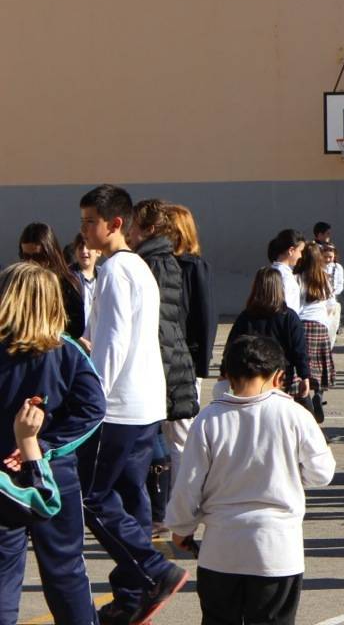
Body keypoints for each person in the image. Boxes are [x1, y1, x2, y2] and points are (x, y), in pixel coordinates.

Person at [166, 335, 336, 625]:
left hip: (221, 549)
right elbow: (322, 473)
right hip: (277, 549)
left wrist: (181, 528)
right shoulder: (295, 415)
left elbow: (188, 485)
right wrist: (292, 473)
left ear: (226, 376)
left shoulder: (208, 419)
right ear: (279, 377)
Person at [77, 184, 189, 623]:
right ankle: (133, 595)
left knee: (90, 498)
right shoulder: (139, 267)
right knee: (130, 497)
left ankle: (151, 569)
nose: (85, 230)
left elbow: (114, 342)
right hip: (144, 403)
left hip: (118, 406)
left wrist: (92, 398)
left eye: (91, 221)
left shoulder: (116, 271)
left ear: (116, 223)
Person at [0, 263, 106, 625]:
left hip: (4, 478)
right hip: (53, 475)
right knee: (66, 570)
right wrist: (47, 445)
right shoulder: (67, 350)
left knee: (3, 574)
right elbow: (93, 409)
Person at [129, 199, 200, 478]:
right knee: (175, 442)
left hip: (168, 364)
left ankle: (182, 499)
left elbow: (160, 325)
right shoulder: (158, 260)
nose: (128, 233)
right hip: (171, 361)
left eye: (133, 226)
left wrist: (158, 373)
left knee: (178, 444)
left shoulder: (155, 263)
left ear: (149, 229)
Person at [227, 268, 312, 401]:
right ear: (279, 288)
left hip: (250, 376)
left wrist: (225, 372)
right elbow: (299, 350)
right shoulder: (289, 317)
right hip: (279, 376)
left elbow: (232, 346)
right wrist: (304, 376)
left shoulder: (246, 316)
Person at [164, 204, 217, 391]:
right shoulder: (157, 264)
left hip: (187, 356)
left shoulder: (194, 266)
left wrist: (202, 363)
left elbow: (206, 315)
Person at [17, 223, 85, 340]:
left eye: (38, 257)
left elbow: (76, 328)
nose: (31, 263)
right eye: (25, 257)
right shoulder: (18, 283)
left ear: (50, 254)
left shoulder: (67, 284)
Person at [296, 242, 336, 421]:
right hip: (320, 325)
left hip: (302, 324)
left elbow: (295, 304)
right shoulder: (324, 278)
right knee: (320, 364)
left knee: (304, 363)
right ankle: (318, 393)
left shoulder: (298, 278)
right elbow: (331, 304)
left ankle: (305, 399)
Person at [269, 229, 306, 314]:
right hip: (285, 320)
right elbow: (285, 305)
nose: (301, 256)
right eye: (300, 251)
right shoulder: (283, 275)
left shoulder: (276, 271)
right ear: (291, 251)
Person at [68, 233, 100, 328]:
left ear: (98, 252)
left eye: (88, 247)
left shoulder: (103, 275)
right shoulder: (68, 277)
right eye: (80, 248)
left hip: (98, 332)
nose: (84, 251)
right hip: (76, 334)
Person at [321, 243, 344, 343]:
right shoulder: (319, 267)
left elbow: (340, 283)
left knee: (332, 324)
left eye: (330, 257)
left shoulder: (338, 267)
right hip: (321, 300)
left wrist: (334, 292)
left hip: (332, 299)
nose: (327, 259)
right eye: (325, 257)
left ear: (334, 256)